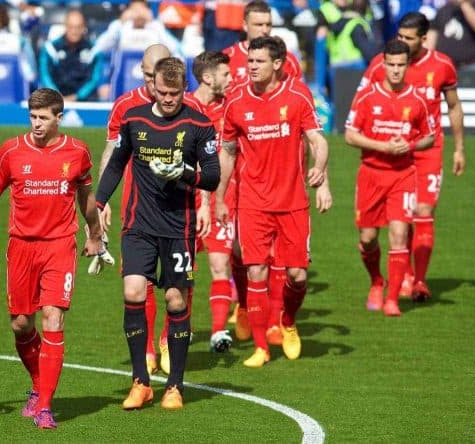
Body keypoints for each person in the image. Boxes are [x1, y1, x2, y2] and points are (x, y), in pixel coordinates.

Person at [0, 88, 103, 429]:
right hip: (21, 247)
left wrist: (95, 234)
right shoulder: (11, 151)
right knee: (20, 324)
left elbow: (85, 197)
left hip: (59, 245)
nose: (37, 124)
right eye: (33, 117)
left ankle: (44, 405)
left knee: (52, 318)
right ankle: (38, 385)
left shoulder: (77, 152)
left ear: (59, 118)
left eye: (44, 118)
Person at [96, 57, 220, 410]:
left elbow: (211, 176)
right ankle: (140, 382)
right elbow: (117, 163)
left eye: (174, 93)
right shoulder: (134, 119)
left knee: (175, 301)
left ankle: (175, 386)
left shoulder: (199, 124)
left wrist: (184, 173)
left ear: (185, 89)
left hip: (179, 228)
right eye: (162, 92)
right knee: (134, 291)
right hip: (139, 225)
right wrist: (101, 203)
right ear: (152, 87)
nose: (167, 99)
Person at [216, 36, 329, 367]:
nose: (251, 67)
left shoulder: (296, 96)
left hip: (293, 201)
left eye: (259, 62)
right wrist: (221, 197)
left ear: (277, 64)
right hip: (252, 201)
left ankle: (289, 321)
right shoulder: (236, 100)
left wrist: (320, 170)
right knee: (256, 271)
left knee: (298, 276)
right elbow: (227, 151)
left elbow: (317, 140)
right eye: (249, 61)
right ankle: (262, 347)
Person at [355, 12, 465, 301]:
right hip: (390, 155)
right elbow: (363, 101)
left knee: (423, 212)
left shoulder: (442, 65)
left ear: (423, 38)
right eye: (399, 35)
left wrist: (460, 149)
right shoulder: (383, 63)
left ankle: (419, 280)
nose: (401, 41)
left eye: (408, 38)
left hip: (427, 149)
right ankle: (394, 277)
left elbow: (453, 107)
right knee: (390, 224)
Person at [345, 39, 435, 316]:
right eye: (391, 65)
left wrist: (408, 146)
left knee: (399, 234)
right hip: (371, 174)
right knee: (369, 237)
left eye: (401, 65)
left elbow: (429, 137)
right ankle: (377, 281)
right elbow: (350, 135)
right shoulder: (367, 96)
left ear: (408, 66)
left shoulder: (417, 99)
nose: (395, 71)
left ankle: (392, 299)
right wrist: (383, 146)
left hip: (402, 175)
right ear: (383, 65)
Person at [98, 43, 172, 376]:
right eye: (144, 73)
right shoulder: (126, 105)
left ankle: (169, 340)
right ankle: (147, 352)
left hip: (177, 210)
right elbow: (112, 154)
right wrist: (101, 202)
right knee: (140, 282)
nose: (149, 81)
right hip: (137, 209)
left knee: (176, 283)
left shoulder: (188, 108)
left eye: (154, 75)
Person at [183, 50, 235, 353]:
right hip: (186, 201)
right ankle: (184, 325)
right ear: (207, 77)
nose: (232, 78)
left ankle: (218, 330)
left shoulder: (230, 109)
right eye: (225, 74)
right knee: (187, 267)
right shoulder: (184, 108)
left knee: (220, 263)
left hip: (221, 199)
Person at [223, 0, 303, 87]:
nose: (265, 30)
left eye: (268, 25)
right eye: (259, 25)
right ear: (245, 25)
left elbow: (298, 93)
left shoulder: (287, 59)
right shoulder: (227, 58)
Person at [39, 9, 104, 102]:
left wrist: (77, 96)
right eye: (71, 27)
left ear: (84, 27)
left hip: (86, 101)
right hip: (55, 101)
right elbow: (45, 76)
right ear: (65, 26)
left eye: (78, 27)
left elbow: (94, 79)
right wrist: (57, 96)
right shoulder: (50, 49)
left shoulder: (93, 50)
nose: (74, 31)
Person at [427, 0, 475, 70]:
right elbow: (431, 37)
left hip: (471, 65)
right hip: (445, 66)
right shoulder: (443, 10)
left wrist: (463, 4)